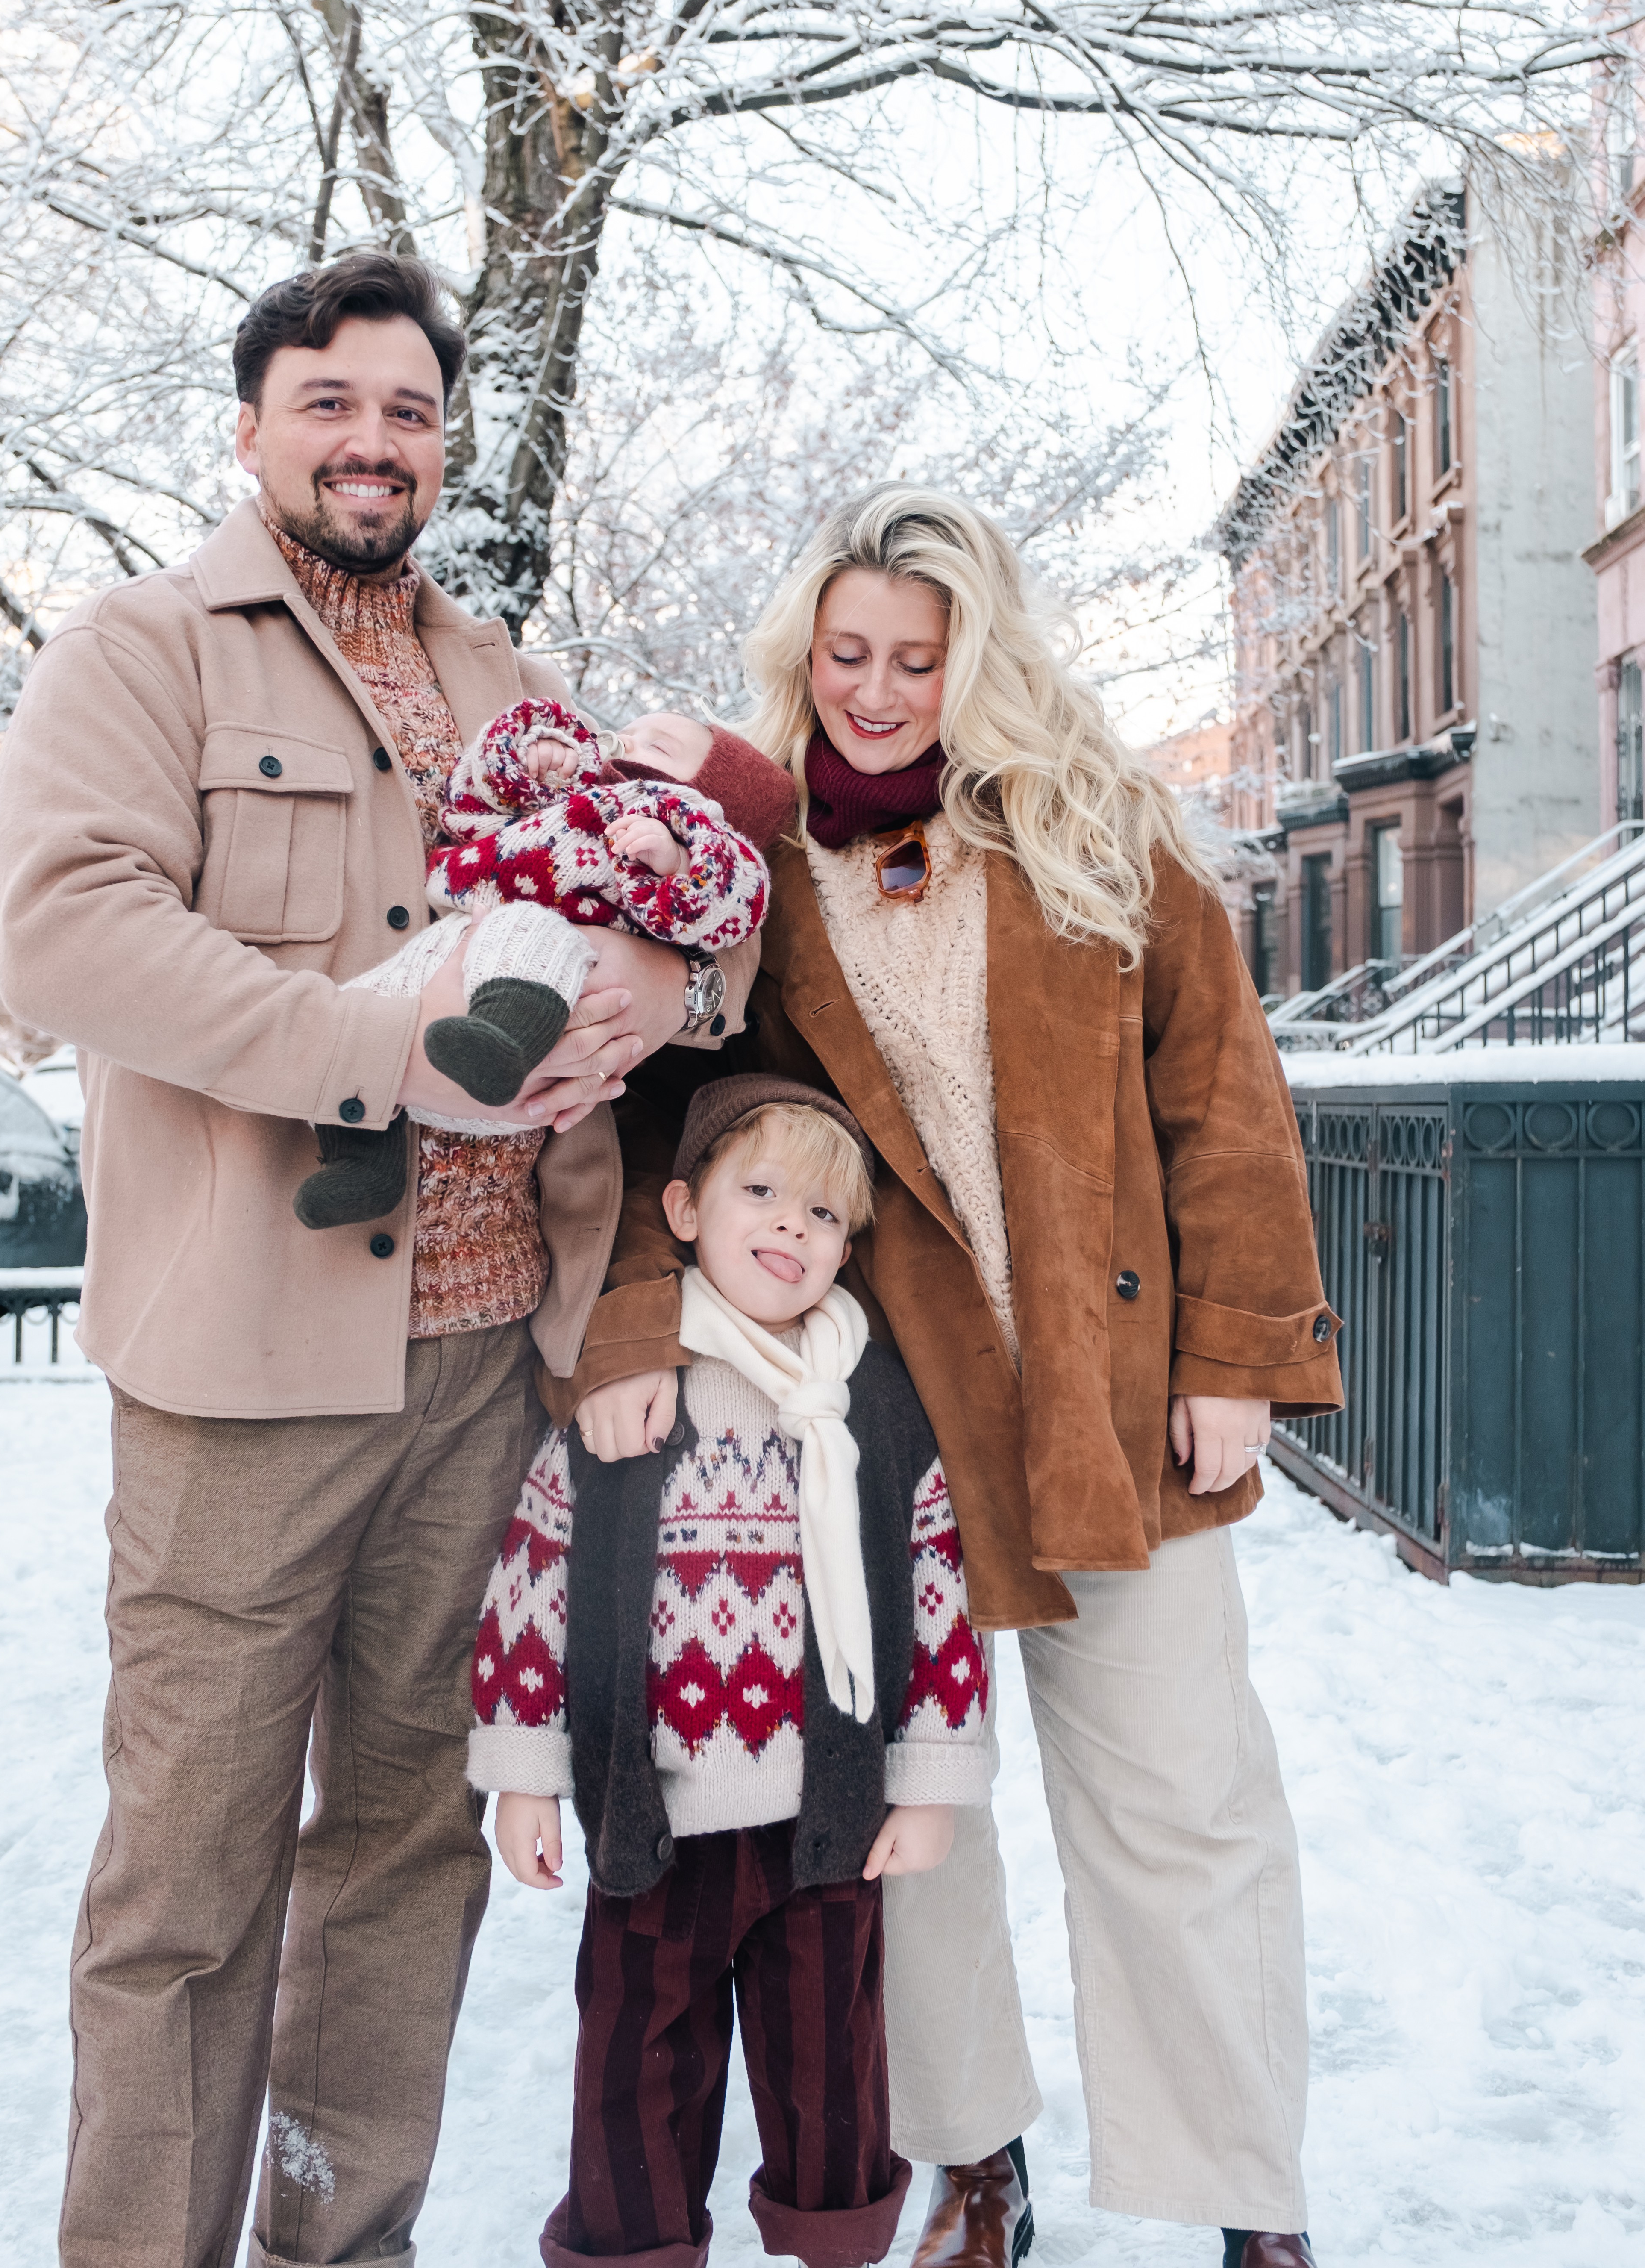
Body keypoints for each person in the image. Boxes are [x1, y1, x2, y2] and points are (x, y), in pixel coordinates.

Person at [0, 250, 770, 2268]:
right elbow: (68, 927)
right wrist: (378, 1049)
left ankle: (345, 2242)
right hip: (242, 1373)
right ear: (251, 428)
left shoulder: (509, 678)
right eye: (330, 403)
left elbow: (695, 909)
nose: (372, 440)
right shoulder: (142, 650)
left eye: (408, 410)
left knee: (409, 1845)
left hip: (483, 1366)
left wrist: (660, 983)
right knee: (187, 1876)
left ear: (443, 442)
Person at [538, 489, 1345, 2268]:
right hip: (883, 1424)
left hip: (1119, 1403)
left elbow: (1221, 1096)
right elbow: (655, 1129)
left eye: (919, 657)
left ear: (977, 659)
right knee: (920, 1823)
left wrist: (1236, 1355)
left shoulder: (1095, 828)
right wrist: (622, 1341)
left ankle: (1242, 2197)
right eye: (848, 658)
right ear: (801, 658)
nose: (880, 691)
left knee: (1185, 1809)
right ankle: (973, 2161)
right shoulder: (736, 879)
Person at [472, 1075, 991, 2268]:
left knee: (831, 2071)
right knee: (633, 2067)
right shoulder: (628, 1394)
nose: (789, 1229)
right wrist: (523, 1776)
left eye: (820, 1216)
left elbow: (934, 1590)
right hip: (651, 1815)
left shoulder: (870, 1404)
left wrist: (930, 1784)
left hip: (827, 1822)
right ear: (686, 1210)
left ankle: (835, 2242)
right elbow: (535, 1582)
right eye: (760, 1193)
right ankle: (635, 2247)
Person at [295, 695, 784, 1227]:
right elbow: (469, 811)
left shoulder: (680, 819)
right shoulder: (571, 791)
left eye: (658, 745)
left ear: (714, 794)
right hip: (458, 935)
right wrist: (524, 762)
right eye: (628, 730)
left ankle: (501, 1045)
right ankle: (362, 1163)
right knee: (366, 1002)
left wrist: (678, 858)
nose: (625, 743)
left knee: (525, 934)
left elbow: (739, 903)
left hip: (560, 944)